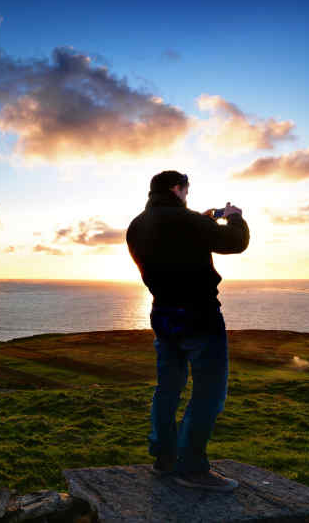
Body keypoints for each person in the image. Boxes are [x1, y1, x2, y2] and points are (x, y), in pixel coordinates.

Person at [125, 170, 249, 492]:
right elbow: (235, 243)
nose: (187, 197)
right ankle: (192, 467)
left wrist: (203, 218)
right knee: (208, 392)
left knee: (168, 389)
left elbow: (175, 243)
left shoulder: (137, 225)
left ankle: (165, 458)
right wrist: (234, 218)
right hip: (199, 316)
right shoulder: (188, 221)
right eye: (186, 191)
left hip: (163, 317)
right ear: (177, 189)